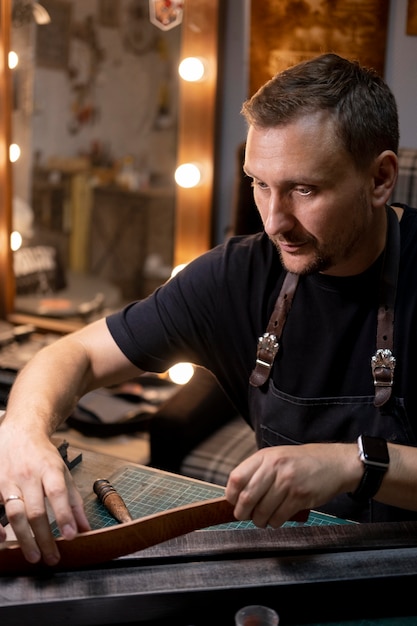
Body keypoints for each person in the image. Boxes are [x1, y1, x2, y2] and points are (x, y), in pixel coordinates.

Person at [2, 52, 417, 568]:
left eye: (304, 190)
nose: (274, 221)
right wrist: (21, 432)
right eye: (260, 184)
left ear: (380, 179)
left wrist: (353, 463)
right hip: (295, 559)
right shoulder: (237, 275)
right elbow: (77, 352)